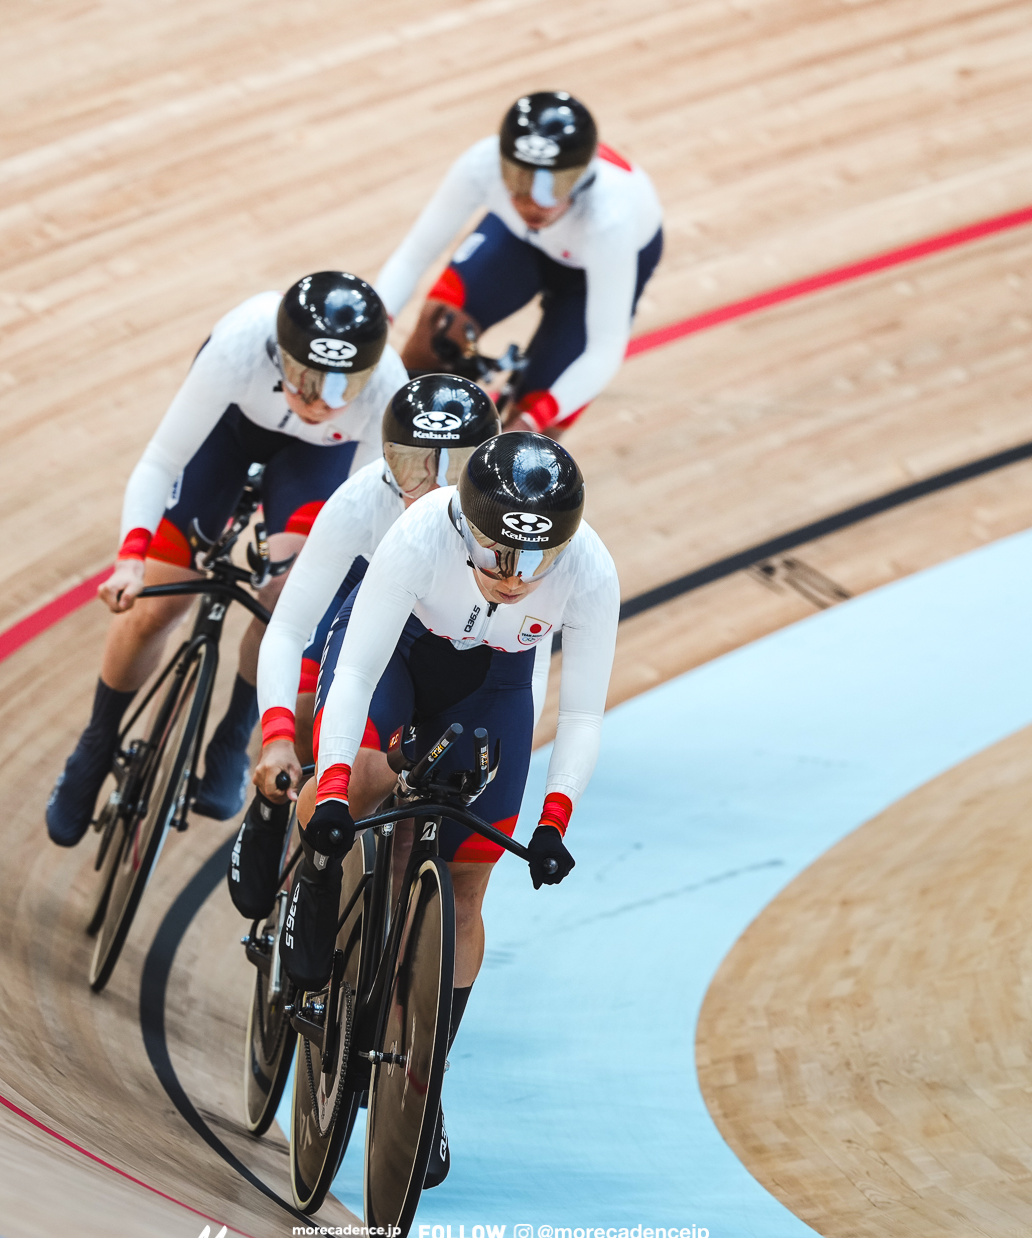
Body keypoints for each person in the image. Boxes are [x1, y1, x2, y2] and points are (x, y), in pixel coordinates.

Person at [286, 431, 620, 1184]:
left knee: (468, 887)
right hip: (400, 658)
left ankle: (423, 1078)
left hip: (494, 687)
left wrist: (555, 820)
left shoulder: (590, 570)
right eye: (498, 553)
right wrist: (334, 788)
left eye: (533, 562)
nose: (513, 577)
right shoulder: (417, 536)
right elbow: (357, 671)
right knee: (368, 774)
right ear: (465, 524)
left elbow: (583, 716)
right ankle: (312, 882)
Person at [44, 272, 406, 847]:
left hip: (315, 464)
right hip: (229, 433)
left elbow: (358, 516)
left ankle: (237, 731)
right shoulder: (240, 343)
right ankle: (96, 740)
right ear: (277, 355)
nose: (317, 402)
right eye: (305, 380)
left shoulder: (388, 385)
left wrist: (302, 557)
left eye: (340, 388)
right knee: (160, 603)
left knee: (288, 597)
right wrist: (132, 558)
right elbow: (161, 461)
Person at [225, 373, 503, 918]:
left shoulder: (503, 527)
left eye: (452, 468)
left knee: (414, 829)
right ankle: (279, 810)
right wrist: (278, 737)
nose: (431, 486)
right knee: (316, 722)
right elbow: (289, 628)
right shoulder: (361, 502)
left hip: (439, 646)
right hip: (358, 610)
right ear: (386, 462)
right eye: (411, 465)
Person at [374, 91, 663, 435]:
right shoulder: (481, 165)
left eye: (556, 186)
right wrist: (369, 340)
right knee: (439, 330)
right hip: (521, 242)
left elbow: (605, 348)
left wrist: (535, 418)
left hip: (594, 269)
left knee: (529, 436)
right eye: (519, 180)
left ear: (583, 179)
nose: (533, 204)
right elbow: (413, 256)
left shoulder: (609, 219)